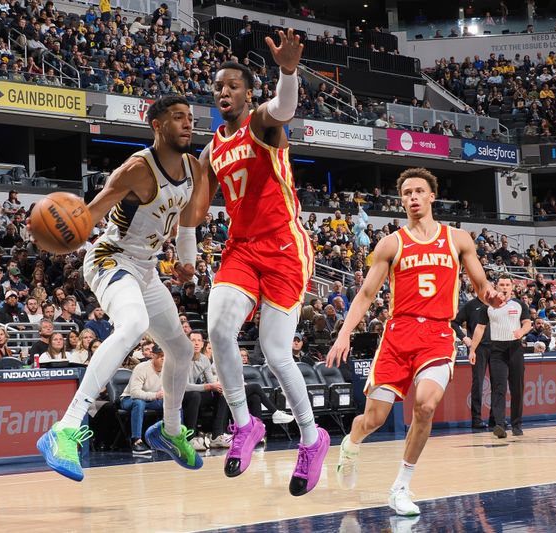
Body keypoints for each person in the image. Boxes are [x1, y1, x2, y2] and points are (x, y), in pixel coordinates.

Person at [36, 95, 209, 481]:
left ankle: (169, 430)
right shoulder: (135, 170)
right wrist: (60, 231)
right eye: (178, 117)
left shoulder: (193, 168)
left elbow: (185, 224)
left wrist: (186, 263)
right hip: (111, 258)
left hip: (146, 270)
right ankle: (64, 428)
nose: (187, 124)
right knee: (132, 325)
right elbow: (90, 214)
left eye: (190, 118)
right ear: (157, 126)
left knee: (181, 348)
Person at [326, 168, 503, 516]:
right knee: (373, 419)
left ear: (432, 196)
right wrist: (343, 333)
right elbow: (365, 294)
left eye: (419, 191)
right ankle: (352, 442)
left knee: (424, 405)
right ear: (402, 200)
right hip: (398, 335)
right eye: (407, 193)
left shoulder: (458, 239)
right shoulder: (391, 243)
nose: (413, 198)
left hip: (437, 334)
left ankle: (401, 487)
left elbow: (481, 284)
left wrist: (491, 295)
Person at [199, 31, 330, 497]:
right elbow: (196, 212)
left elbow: (284, 109)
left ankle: (312, 441)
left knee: (275, 353)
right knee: (218, 329)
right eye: (217, 86)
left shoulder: (261, 123)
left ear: (248, 93)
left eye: (232, 85)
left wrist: (288, 73)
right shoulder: (210, 150)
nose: (223, 92)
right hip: (240, 247)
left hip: (283, 247)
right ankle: (243, 423)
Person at [468, 275, 532, 438]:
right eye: (501, 284)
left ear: (512, 287)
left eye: (507, 285)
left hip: (515, 348)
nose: (504, 287)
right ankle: (499, 425)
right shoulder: (488, 307)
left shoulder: (519, 304)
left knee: (517, 388)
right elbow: (480, 329)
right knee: (498, 388)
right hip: (497, 350)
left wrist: (521, 332)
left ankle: (517, 424)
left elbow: (527, 323)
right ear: (496, 286)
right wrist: (472, 350)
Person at [451, 296, 493, 429]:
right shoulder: (471, 305)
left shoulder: (496, 303)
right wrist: (464, 338)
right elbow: (454, 322)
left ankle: (496, 418)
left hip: (497, 347)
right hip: (478, 348)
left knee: (498, 383)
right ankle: (476, 419)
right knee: (478, 383)